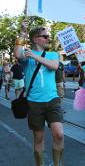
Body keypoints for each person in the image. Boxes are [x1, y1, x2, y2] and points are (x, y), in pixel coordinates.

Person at [14, 20, 64, 166]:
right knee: (39, 139)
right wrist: (23, 31)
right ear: (36, 39)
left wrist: (35, 57)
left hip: (52, 99)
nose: (48, 38)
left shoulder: (53, 54)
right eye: (45, 36)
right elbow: (17, 53)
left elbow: (54, 66)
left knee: (59, 134)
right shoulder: (26, 55)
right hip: (34, 101)